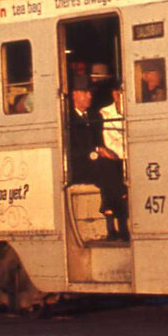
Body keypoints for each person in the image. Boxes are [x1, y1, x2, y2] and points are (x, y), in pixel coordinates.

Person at [68, 85, 127, 239]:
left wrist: (105, 152)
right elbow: (71, 149)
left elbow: (100, 142)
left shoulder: (95, 116)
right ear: (74, 94)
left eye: (90, 93)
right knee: (106, 167)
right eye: (85, 92)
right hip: (79, 166)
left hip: (97, 165)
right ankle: (120, 220)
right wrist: (95, 152)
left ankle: (110, 218)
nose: (89, 96)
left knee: (112, 167)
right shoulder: (68, 119)